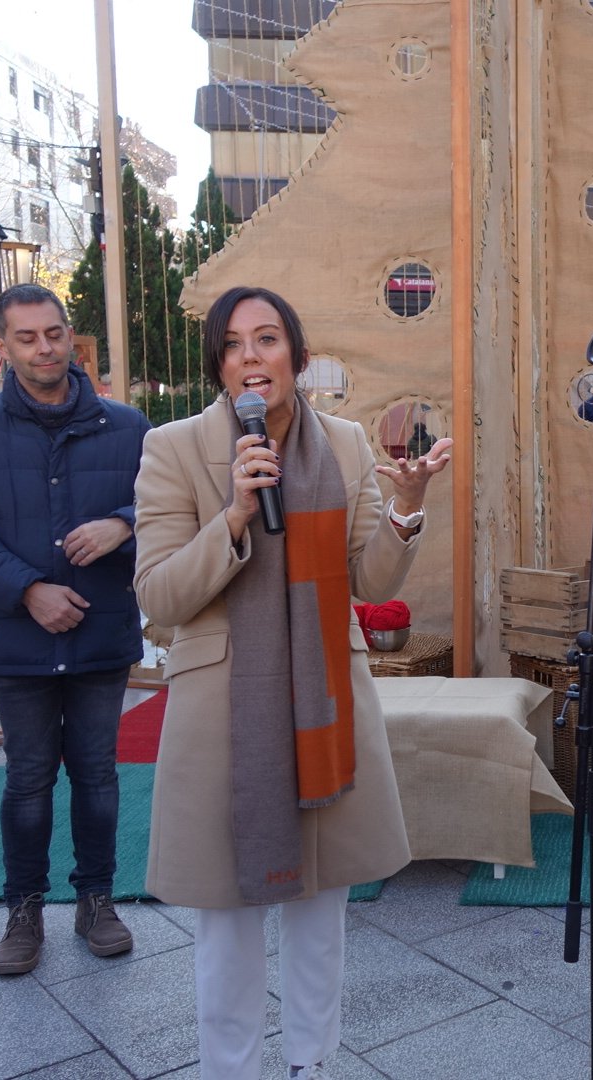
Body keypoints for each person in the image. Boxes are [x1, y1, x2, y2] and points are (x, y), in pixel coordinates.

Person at [132, 285, 451, 1080]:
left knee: (321, 909)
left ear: (296, 358)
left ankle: (313, 1063)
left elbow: (367, 578)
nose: (251, 356)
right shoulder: (173, 449)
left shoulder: (342, 445)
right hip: (223, 717)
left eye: (267, 339)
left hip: (324, 706)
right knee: (229, 924)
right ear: (218, 364)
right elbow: (160, 595)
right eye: (234, 343)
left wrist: (405, 510)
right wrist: (233, 515)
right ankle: (230, 1069)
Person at [0, 284, 151, 975]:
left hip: (101, 634)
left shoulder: (129, 428)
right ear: (2, 347)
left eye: (53, 334)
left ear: (69, 334)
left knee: (97, 775)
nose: (44, 348)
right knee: (26, 780)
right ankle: (24, 909)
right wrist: (26, 590)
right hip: (18, 640)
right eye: (26, 338)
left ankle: (97, 901)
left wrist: (124, 524)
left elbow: (171, 512)